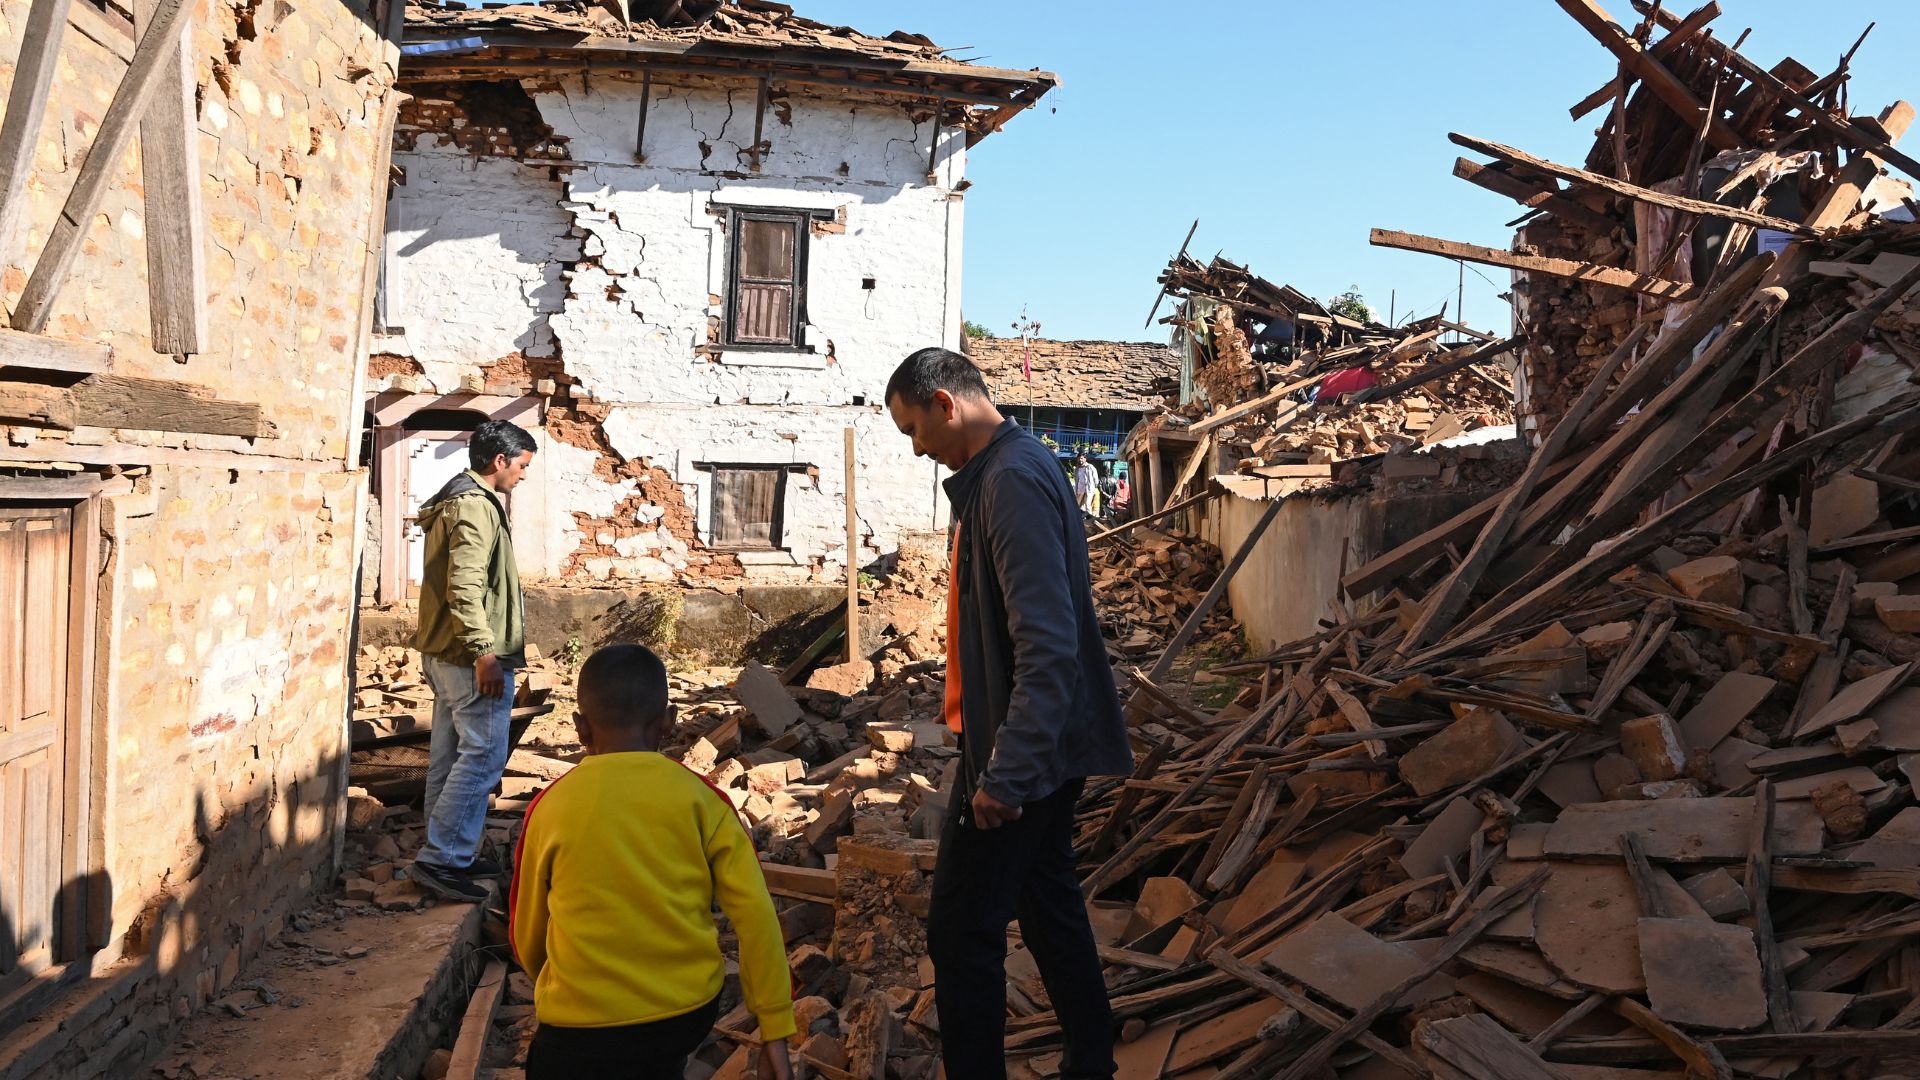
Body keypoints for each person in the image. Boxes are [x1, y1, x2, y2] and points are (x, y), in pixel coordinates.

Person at [885, 347, 1132, 1080]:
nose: (918, 449)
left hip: (1021, 749)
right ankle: (1093, 1058)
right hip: (1027, 739)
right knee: (1047, 899)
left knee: (961, 933)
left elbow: (1048, 648)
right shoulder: (1007, 470)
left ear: (943, 404)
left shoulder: (1013, 481)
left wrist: (1007, 773)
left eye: (913, 430)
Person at [510, 644, 795, 1080]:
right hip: (682, 1015)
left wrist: (557, 984)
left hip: (579, 1027)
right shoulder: (704, 800)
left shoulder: (549, 807)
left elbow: (528, 931)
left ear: (580, 728)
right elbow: (756, 916)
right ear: (668, 722)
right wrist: (774, 1028)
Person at [410, 418, 538, 903]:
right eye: (522, 466)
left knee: (449, 752)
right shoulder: (475, 507)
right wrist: (485, 652)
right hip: (468, 655)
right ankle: (443, 858)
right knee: (483, 753)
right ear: (499, 461)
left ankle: (445, 850)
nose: (523, 476)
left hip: (444, 651)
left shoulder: (456, 499)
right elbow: (463, 586)